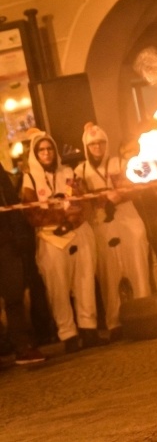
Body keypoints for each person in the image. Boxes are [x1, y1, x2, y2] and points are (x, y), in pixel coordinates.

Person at [21, 131, 99, 352]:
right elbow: (30, 213)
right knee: (58, 288)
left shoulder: (68, 173)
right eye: (41, 150)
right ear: (36, 154)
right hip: (50, 239)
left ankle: (89, 328)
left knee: (84, 281)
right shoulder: (30, 179)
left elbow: (80, 201)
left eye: (49, 149)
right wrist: (57, 219)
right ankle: (68, 334)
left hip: (76, 233)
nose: (46, 154)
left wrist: (70, 221)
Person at [76, 123, 152, 341]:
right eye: (92, 144)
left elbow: (134, 187)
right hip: (100, 222)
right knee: (108, 274)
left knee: (137, 267)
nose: (97, 147)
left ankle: (144, 314)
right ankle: (114, 322)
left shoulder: (120, 163)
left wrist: (115, 197)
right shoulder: (80, 171)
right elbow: (79, 198)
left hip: (127, 217)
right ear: (86, 147)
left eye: (101, 143)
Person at [0, 169, 47, 364]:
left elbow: (10, 199)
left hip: (5, 240)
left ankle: (23, 345)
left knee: (14, 293)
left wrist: (19, 234)